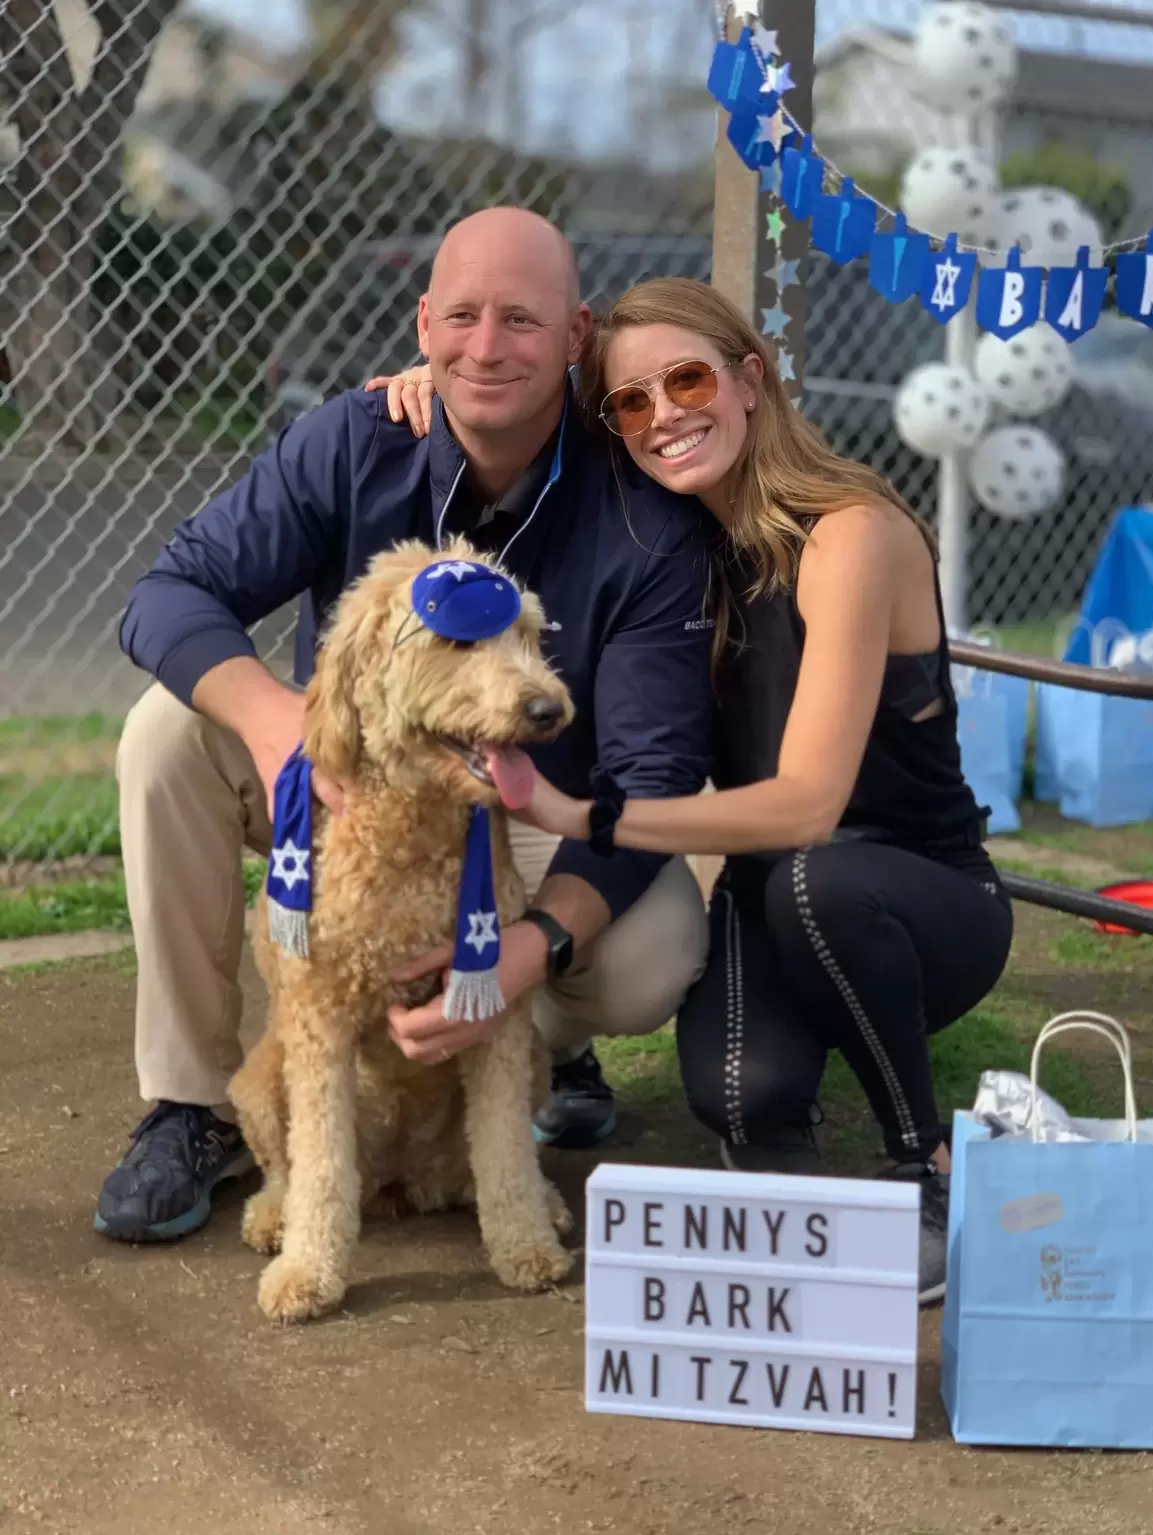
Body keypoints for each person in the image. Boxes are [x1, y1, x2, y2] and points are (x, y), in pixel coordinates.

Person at [368, 276, 1014, 1304]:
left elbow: (809, 804)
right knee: (736, 1099)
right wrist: (447, 389)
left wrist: (585, 816)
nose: (664, 414)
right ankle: (803, 1229)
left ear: (749, 380)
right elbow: (536, 447)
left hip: (916, 895)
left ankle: (922, 1163)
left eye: (687, 378)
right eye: (632, 401)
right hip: (774, 896)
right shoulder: (681, 544)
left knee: (819, 880)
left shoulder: (850, 530)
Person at [96, 209, 716, 1245]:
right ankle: (193, 1105)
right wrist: (276, 721)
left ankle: (526, 1048)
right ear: (422, 324)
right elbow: (168, 595)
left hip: (525, 807)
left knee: (653, 943)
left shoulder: (641, 509)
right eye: (463, 316)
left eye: (521, 319)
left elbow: (655, 770)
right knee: (163, 735)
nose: (485, 347)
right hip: (346, 783)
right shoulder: (354, 438)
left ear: (576, 337)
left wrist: (537, 939)